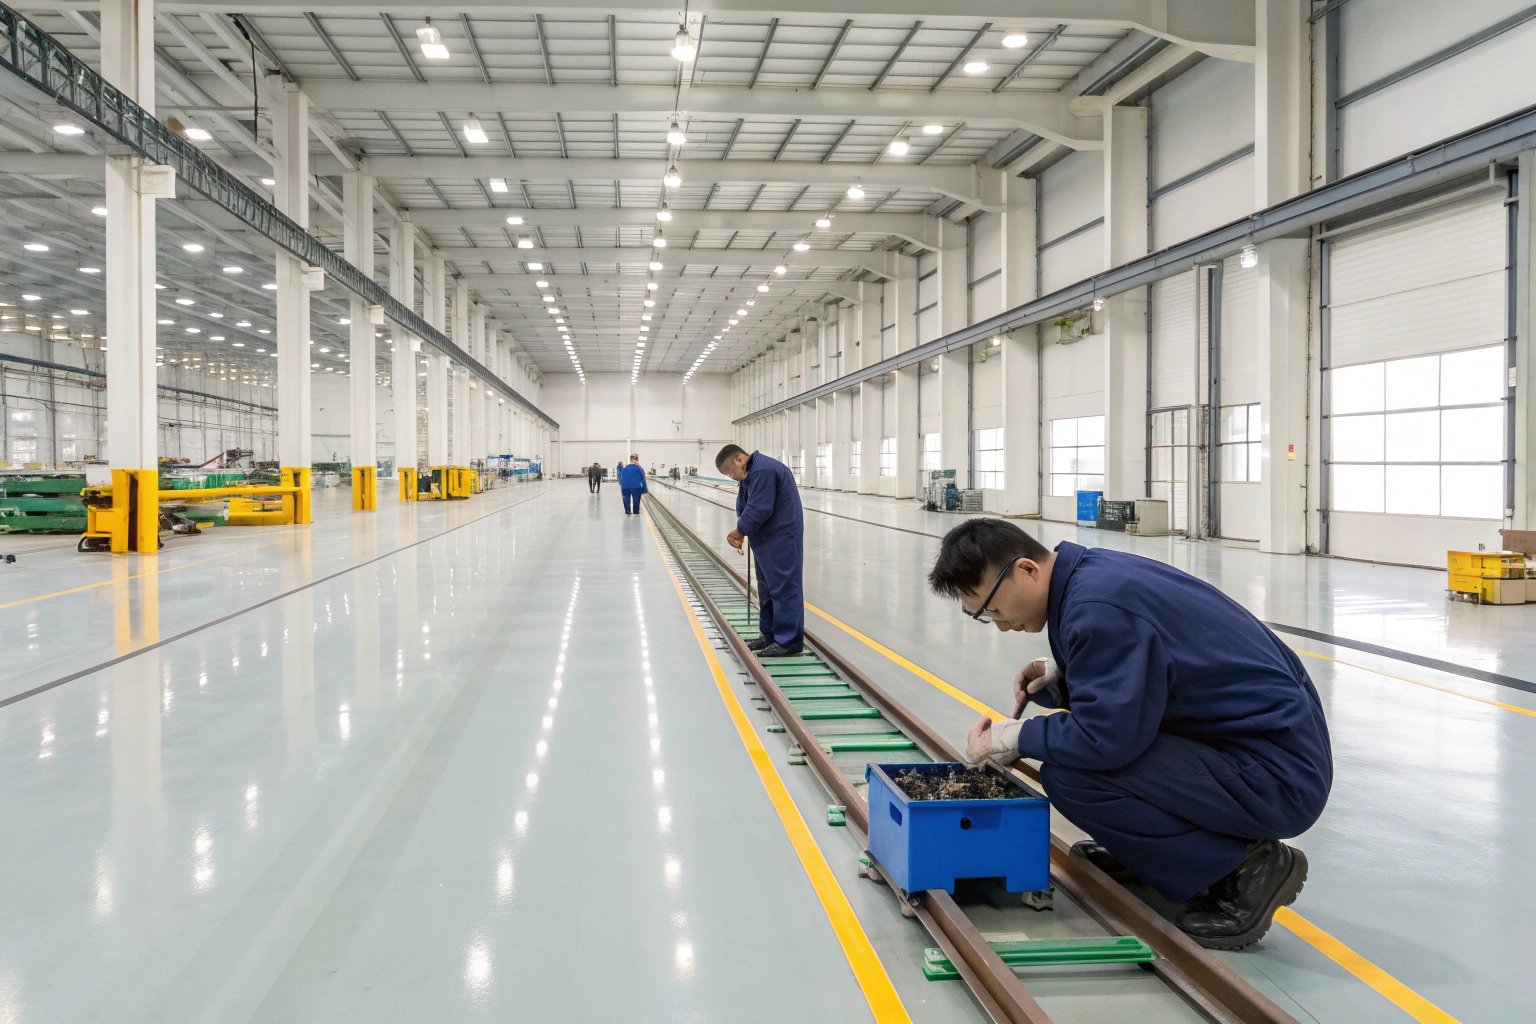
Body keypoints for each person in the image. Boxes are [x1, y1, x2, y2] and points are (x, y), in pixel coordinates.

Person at [926, 518, 1331, 951]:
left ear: (1026, 569)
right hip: (1256, 745)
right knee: (1079, 759)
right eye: (983, 618)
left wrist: (1015, 737)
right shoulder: (1091, 578)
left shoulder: (1097, 608)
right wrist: (1064, 677)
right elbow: (1160, 666)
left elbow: (1105, 738)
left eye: (993, 609)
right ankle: (1155, 857)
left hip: (1277, 775)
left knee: (1076, 777)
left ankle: (1246, 868)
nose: (1001, 625)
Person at [716, 444, 804, 658]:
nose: (731, 477)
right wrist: (744, 530)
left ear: (738, 459)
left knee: (783, 587)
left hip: (781, 537)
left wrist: (740, 530)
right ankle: (771, 635)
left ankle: (788, 640)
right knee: (767, 588)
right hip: (766, 538)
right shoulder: (751, 473)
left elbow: (760, 507)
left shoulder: (763, 471)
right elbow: (746, 506)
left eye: (730, 472)